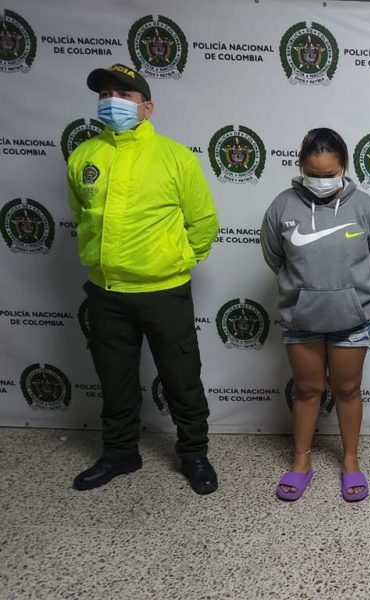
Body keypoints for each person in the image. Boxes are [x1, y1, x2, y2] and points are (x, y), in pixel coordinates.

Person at [67, 64, 219, 495]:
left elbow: (204, 222)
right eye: (105, 94)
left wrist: (176, 260)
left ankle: (194, 455)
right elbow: (82, 217)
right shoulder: (83, 157)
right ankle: (120, 453)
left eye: (124, 95)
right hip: (107, 293)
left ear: (147, 108)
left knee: (181, 379)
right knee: (114, 380)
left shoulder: (175, 157)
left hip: (164, 292)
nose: (112, 102)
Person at [261, 128, 370, 502]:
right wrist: (305, 293)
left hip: (352, 319)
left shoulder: (365, 207)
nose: (321, 182)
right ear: (300, 167)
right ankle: (301, 461)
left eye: (330, 174)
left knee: (347, 390)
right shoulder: (282, 207)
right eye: (313, 174)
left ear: (344, 167)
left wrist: (349, 294)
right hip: (301, 319)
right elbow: (274, 257)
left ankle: (350, 461)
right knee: (306, 390)